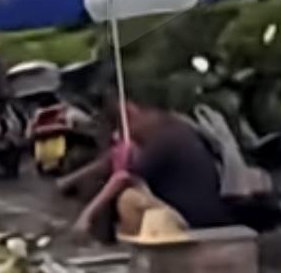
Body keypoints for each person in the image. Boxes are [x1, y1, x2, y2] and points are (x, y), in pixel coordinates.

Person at [73, 93, 228, 242]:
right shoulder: (174, 127)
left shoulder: (163, 139)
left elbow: (124, 177)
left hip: (190, 218)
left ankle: (142, 252)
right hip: (189, 210)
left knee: (129, 198)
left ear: (132, 112)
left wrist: (87, 215)